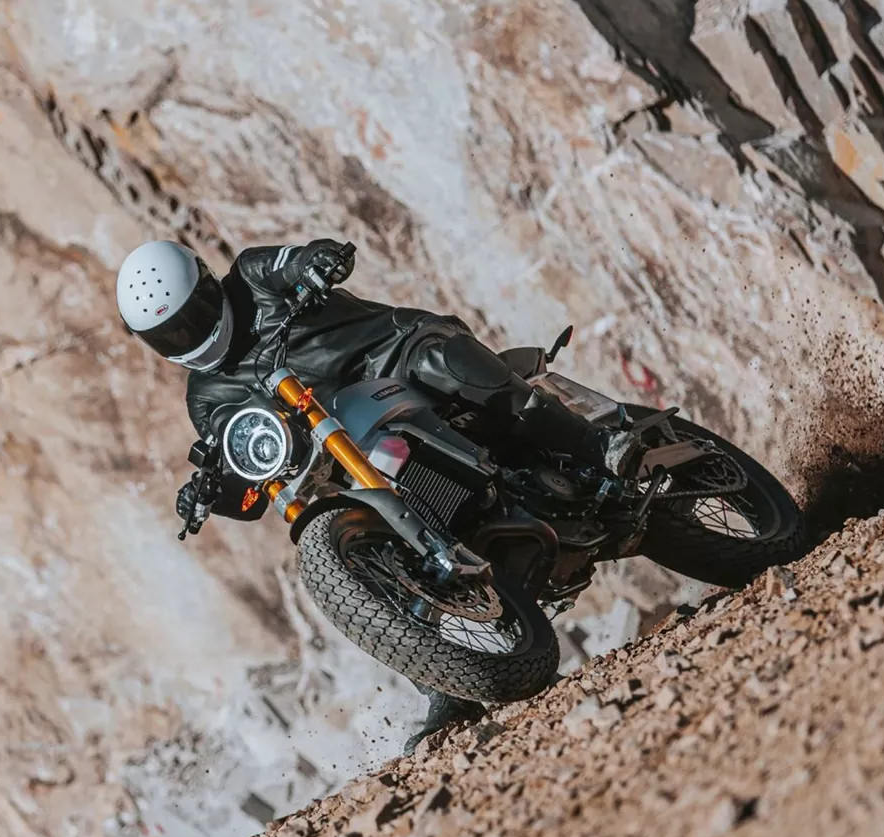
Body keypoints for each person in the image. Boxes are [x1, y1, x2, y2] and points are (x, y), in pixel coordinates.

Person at [116, 237, 635, 753]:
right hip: (346, 455)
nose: (188, 335)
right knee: (359, 558)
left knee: (442, 360)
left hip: (391, 359)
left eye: (192, 316)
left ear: (209, 284)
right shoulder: (206, 397)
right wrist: (214, 489)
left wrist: (316, 262)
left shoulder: (253, 278)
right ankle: (442, 683)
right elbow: (239, 464)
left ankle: (599, 445)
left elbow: (297, 260)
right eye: (170, 333)